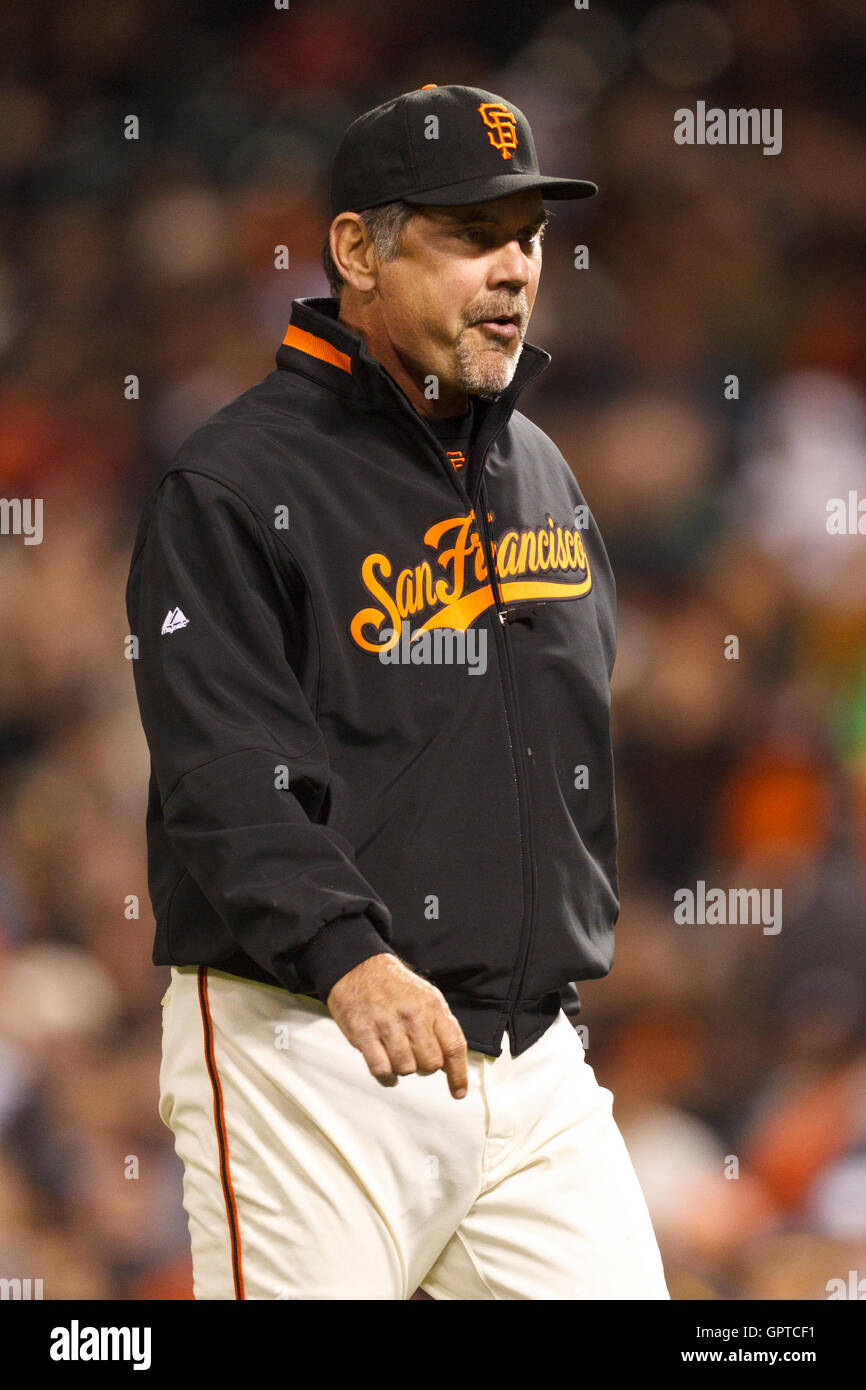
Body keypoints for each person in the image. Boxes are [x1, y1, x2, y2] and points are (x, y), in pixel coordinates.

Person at [126, 83, 669, 1300]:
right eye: (470, 234)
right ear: (356, 250)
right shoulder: (234, 481)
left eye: (528, 235)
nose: (515, 268)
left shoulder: (536, 468)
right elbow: (221, 771)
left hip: (530, 1065)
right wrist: (345, 950)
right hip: (309, 1045)